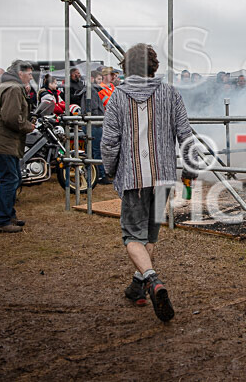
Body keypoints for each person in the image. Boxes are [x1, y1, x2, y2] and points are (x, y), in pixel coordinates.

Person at [101, 43, 199, 322]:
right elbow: (186, 135)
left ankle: (153, 280)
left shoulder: (118, 97)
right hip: (163, 177)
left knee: (132, 236)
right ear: (153, 66)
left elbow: (109, 142)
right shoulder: (170, 93)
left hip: (134, 179)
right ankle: (138, 286)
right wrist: (189, 170)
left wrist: (110, 171)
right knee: (150, 234)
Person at [0, 60, 35, 234]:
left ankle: (8, 215)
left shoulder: (9, 85)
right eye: (28, 73)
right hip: (3, 141)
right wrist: (29, 126)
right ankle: (0, 220)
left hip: (3, 141)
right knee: (10, 179)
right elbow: (11, 118)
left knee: (14, 178)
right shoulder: (13, 88)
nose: (31, 76)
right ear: (20, 73)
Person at [89, 70, 109, 183]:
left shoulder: (94, 90)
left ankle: (100, 173)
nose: (100, 82)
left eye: (101, 79)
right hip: (95, 124)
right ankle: (100, 175)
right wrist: (98, 121)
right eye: (98, 79)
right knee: (98, 150)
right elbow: (94, 108)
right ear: (92, 78)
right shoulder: (92, 91)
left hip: (96, 123)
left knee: (96, 150)